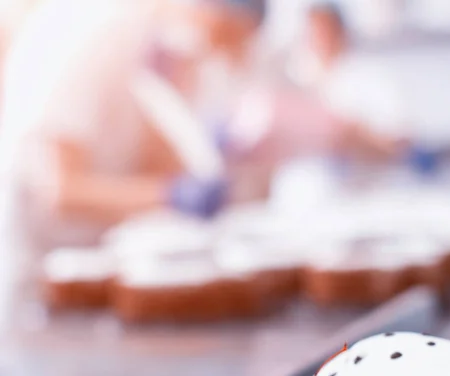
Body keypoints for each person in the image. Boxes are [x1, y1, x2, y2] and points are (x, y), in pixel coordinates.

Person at [0, 0, 266, 229]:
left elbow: (151, 155)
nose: (218, 50)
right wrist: (171, 196)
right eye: (224, 34)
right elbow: (62, 191)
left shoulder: (161, 47)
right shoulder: (90, 30)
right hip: (39, 252)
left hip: (98, 245)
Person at [282, 2, 412, 163]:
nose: (317, 38)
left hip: (365, 179)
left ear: (341, 31)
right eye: (312, 32)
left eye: (324, 30)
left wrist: (355, 133)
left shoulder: (370, 78)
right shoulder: (297, 79)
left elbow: (400, 142)